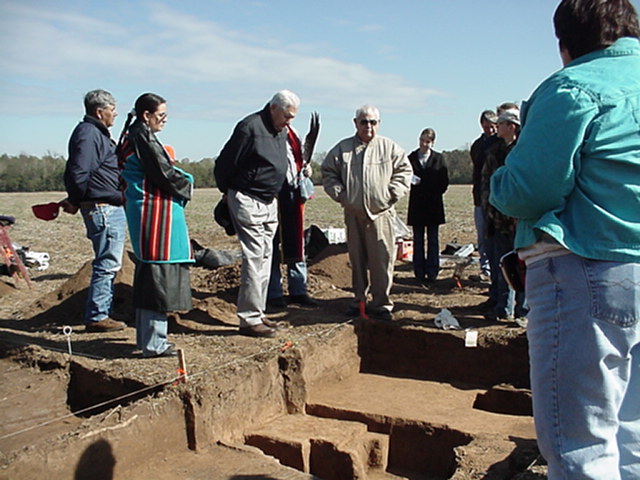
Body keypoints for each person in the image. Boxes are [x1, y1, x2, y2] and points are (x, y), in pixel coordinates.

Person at [490, 1, 640, 477]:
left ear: (565, 44)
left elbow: (527, 190)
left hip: (586, 272)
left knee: (582, 445)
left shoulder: (572, 86)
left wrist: (499, 182)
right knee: (632, 432)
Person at [214, 90, 299, 338]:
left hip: (269, 201)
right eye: (287, 116)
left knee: (266, 255)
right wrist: (228, 192)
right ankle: (249, 319)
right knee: (253, 256)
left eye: (292, 117)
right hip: (247, 198)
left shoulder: (280, 129)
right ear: (273, 108)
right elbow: (225, 164)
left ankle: (258, 312)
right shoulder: (249, 127)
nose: (289, 122)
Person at [117, 93, 194, 358]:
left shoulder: (134, 135)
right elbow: (162, 172)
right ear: (146, 115)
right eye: (161, 116)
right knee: (156, 278)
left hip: (146, 213)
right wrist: (187, 182)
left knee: (150, 275)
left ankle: (148, 339)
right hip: (154, 215)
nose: (164, 121)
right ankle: (154, 343)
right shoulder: (142, 138)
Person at [321, 105, 412, 321]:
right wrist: (343, 196)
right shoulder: (342, 149)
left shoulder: (389, 148)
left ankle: (382, 304)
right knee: (357, 260)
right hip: (354, 215)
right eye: (364, 122)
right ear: (355, 123)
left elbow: (404, 172)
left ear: (378, 124)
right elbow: (328, 173)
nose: (368, 126)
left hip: (382, 215)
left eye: (372, 122)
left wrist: (390, 194)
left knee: (382, 261)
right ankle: (359, 300)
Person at [62, 89, 127, 333]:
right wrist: (77, 199)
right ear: (100, 112)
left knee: (108, 261)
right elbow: (79, 173)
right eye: (112, 108)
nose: (116, 113)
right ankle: (98, 316)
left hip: (106, 205)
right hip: (103, 207)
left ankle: (102, 311)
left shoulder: (92, 133)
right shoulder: (89, 134)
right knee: (108, 262)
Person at [267, 113, 320, 310]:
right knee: (271, 244)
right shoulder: (266, 135)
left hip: (292, 193)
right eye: (286, 115)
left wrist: (306, 170)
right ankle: (274, 292)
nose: (289, 120)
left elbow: (298, 161)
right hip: (271, 195)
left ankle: (298, 290)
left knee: (296, 242)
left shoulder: (292, 133)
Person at [481, 108, 527, 322]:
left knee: (523, 265)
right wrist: (490, 209)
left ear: (512, 127)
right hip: (499, 219)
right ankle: (503, 307)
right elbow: (486, 184)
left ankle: (523, 309)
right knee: (503, 264)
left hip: (521, 220)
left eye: (501, 124)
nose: (497, 127)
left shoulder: (525, 152)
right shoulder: (494, 152)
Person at [406, 128, 449, 283]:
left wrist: (433, 190)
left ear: (432, 142)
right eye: (422, 140)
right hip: (417, 204)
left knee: (433, 239)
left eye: (427, 141)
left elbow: (444, 181)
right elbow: (404, 176)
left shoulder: (439, 158)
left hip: (433, 205)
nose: (424, 144)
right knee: (417, 240)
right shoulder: (411, 158)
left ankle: (432, 271)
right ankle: (418, 271)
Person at [469, 110, 498, 281]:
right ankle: (485, 267)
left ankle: (495, 269)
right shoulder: (477, 146)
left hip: (495, 200)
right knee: (482, 235)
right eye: (487, 127)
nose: (490, 130)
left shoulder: (499, 144)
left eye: (493, 126)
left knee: (494, 236)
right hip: (480, 197)